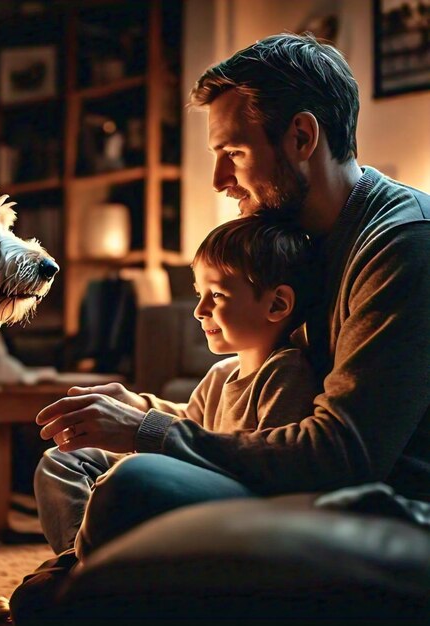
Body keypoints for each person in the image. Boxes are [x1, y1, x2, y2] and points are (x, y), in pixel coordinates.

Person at [21, 31, 430, 586]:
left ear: (302, 136)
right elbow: (245, 416)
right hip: (305, 487)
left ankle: (81, 585)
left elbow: (340, 454)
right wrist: (140, 414)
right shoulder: (303, 241)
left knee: (134, 486)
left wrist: (148, 432)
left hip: (378, 512)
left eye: (233, 153)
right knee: (77, 462)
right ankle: (100, 584)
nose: (219, 181)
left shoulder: (404, 244)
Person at [35, 213, 320, 556]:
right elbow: (189, 422)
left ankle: (85, 570)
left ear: (276, 304)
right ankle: (79, 560)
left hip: (234, 509)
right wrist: (137, 406)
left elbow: (268, 464)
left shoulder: (287, 373)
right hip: (193, 482)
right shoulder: (222, 373)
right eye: (200, 294)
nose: (199, 310)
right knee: (64, 461)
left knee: (129, 476)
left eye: (216, 295)